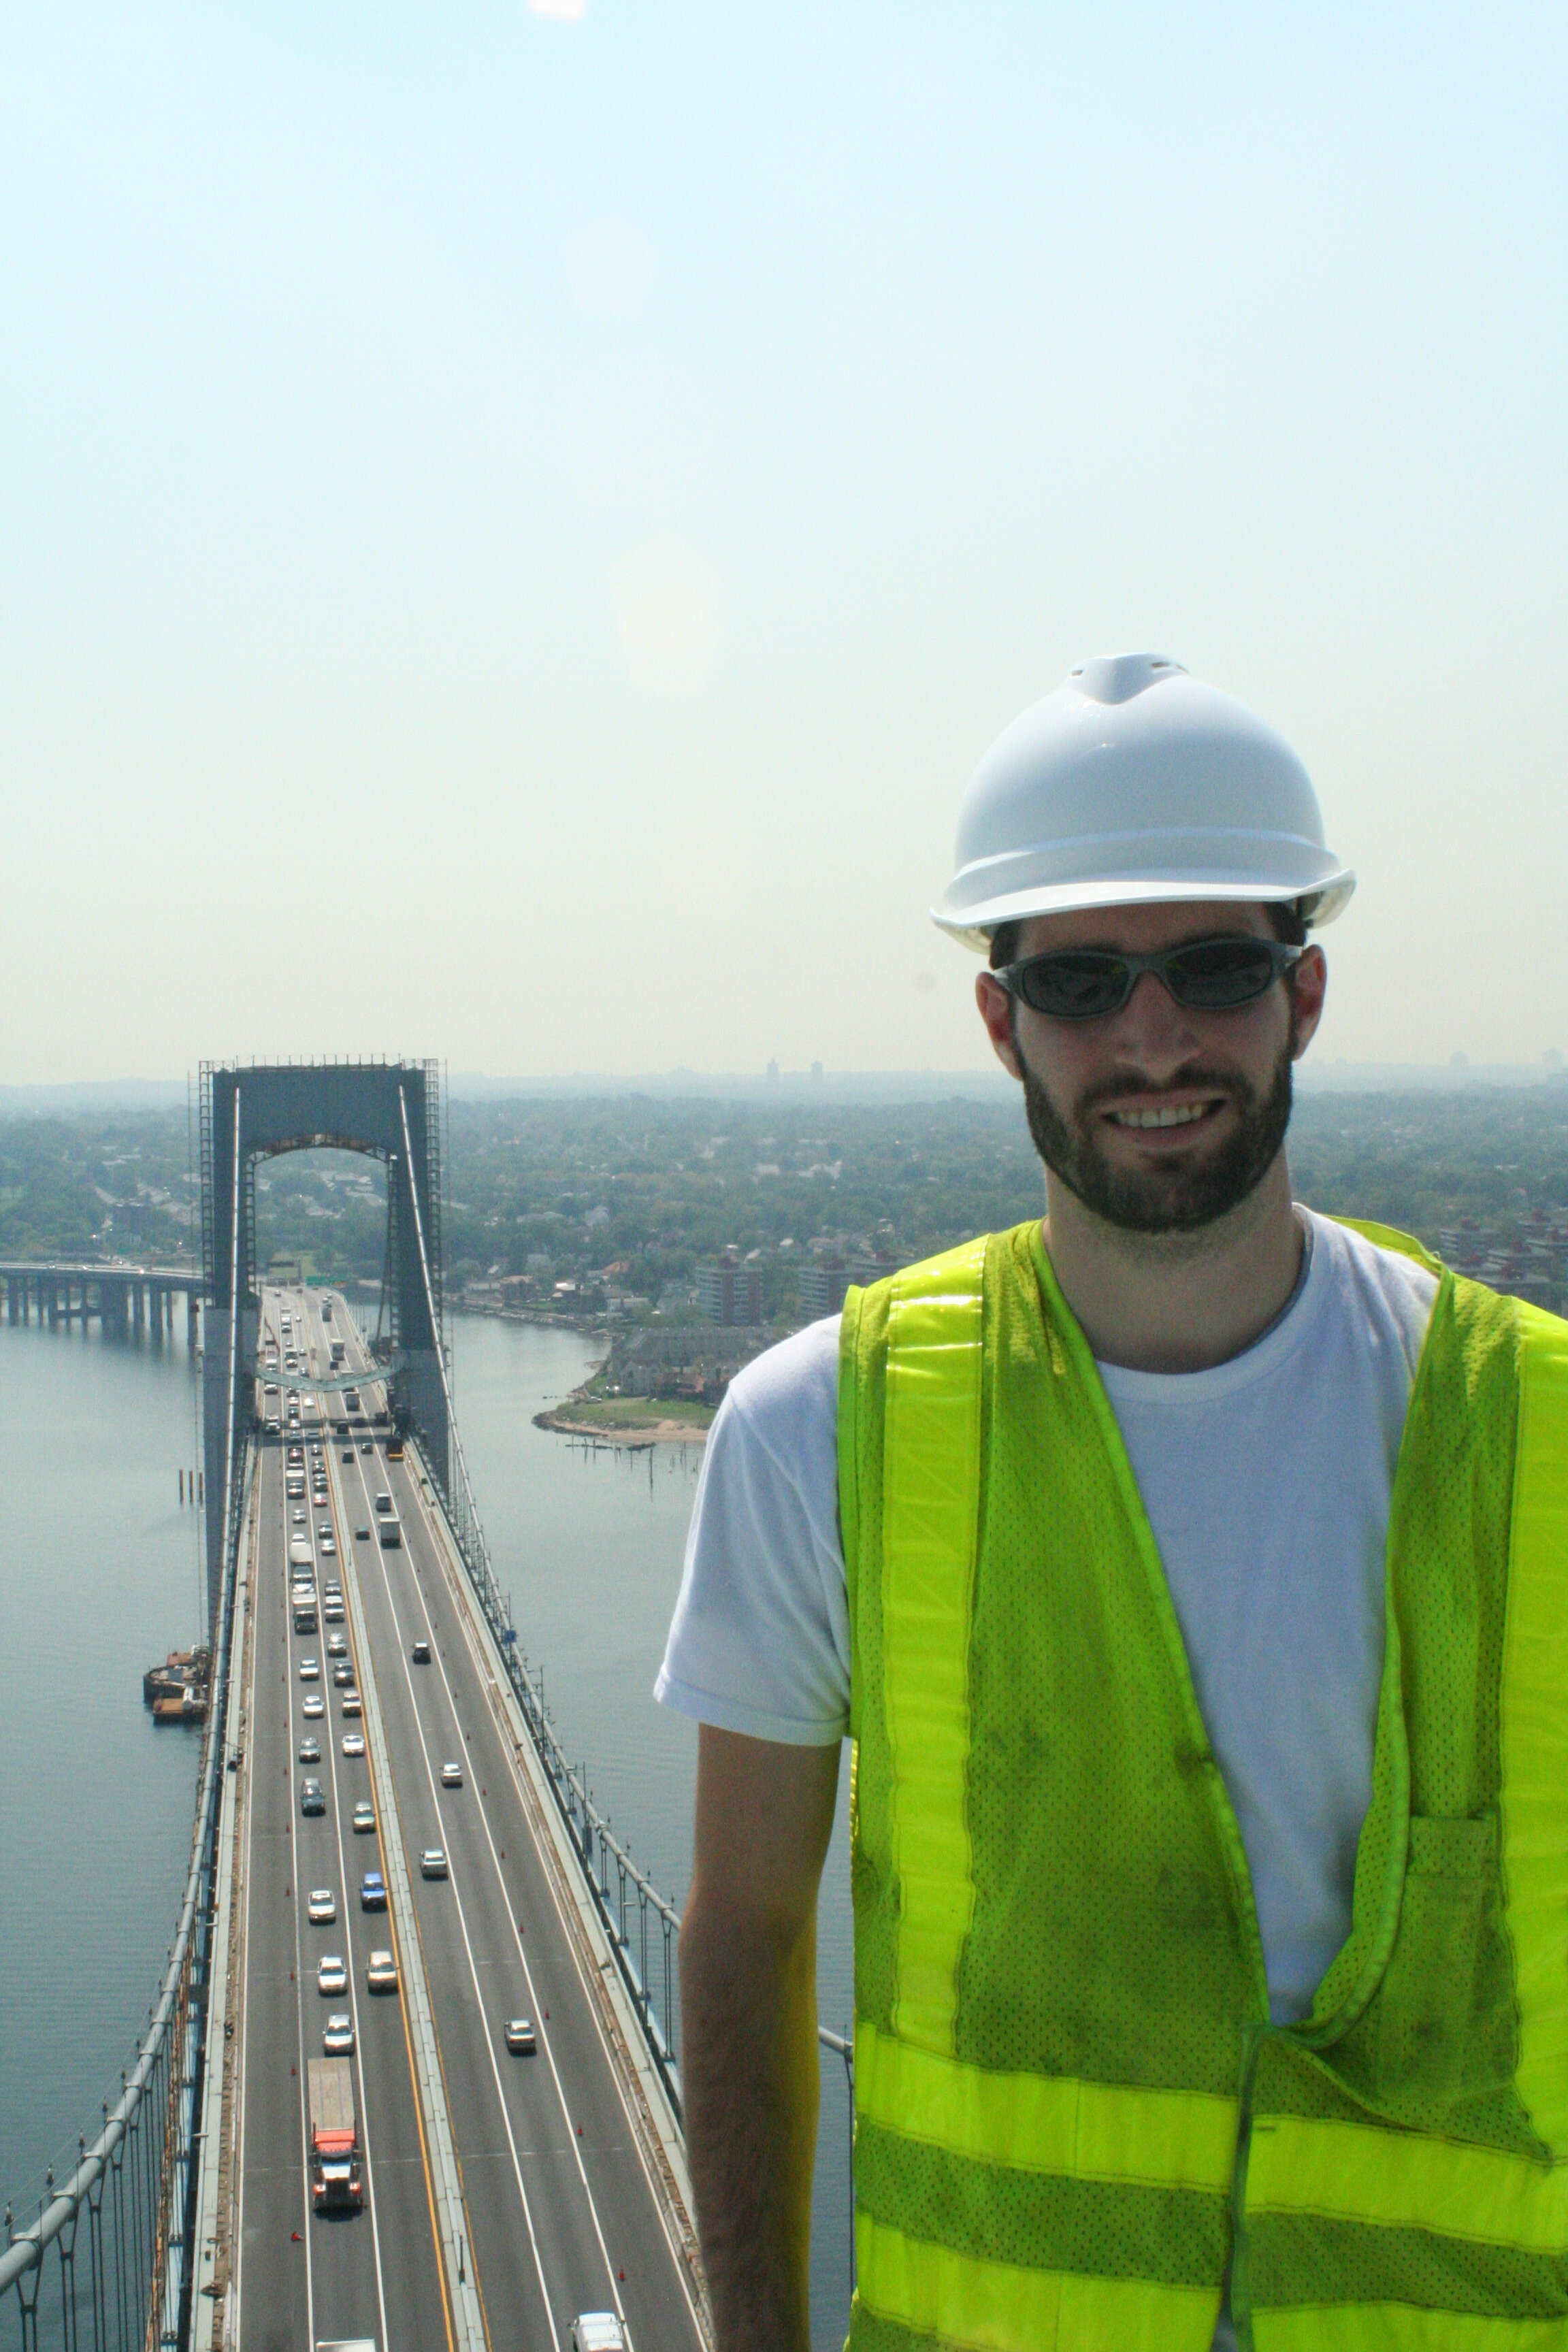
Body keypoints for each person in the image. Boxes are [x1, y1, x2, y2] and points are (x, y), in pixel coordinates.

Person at [657, 652, 1568, 2352]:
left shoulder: (1540, 1432)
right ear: (1001, 1022)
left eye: (1216, 968)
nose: (1154, 1036)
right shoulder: (820, 1435)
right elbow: (747, 1936)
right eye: (1081, 980)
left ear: (1304, 995)